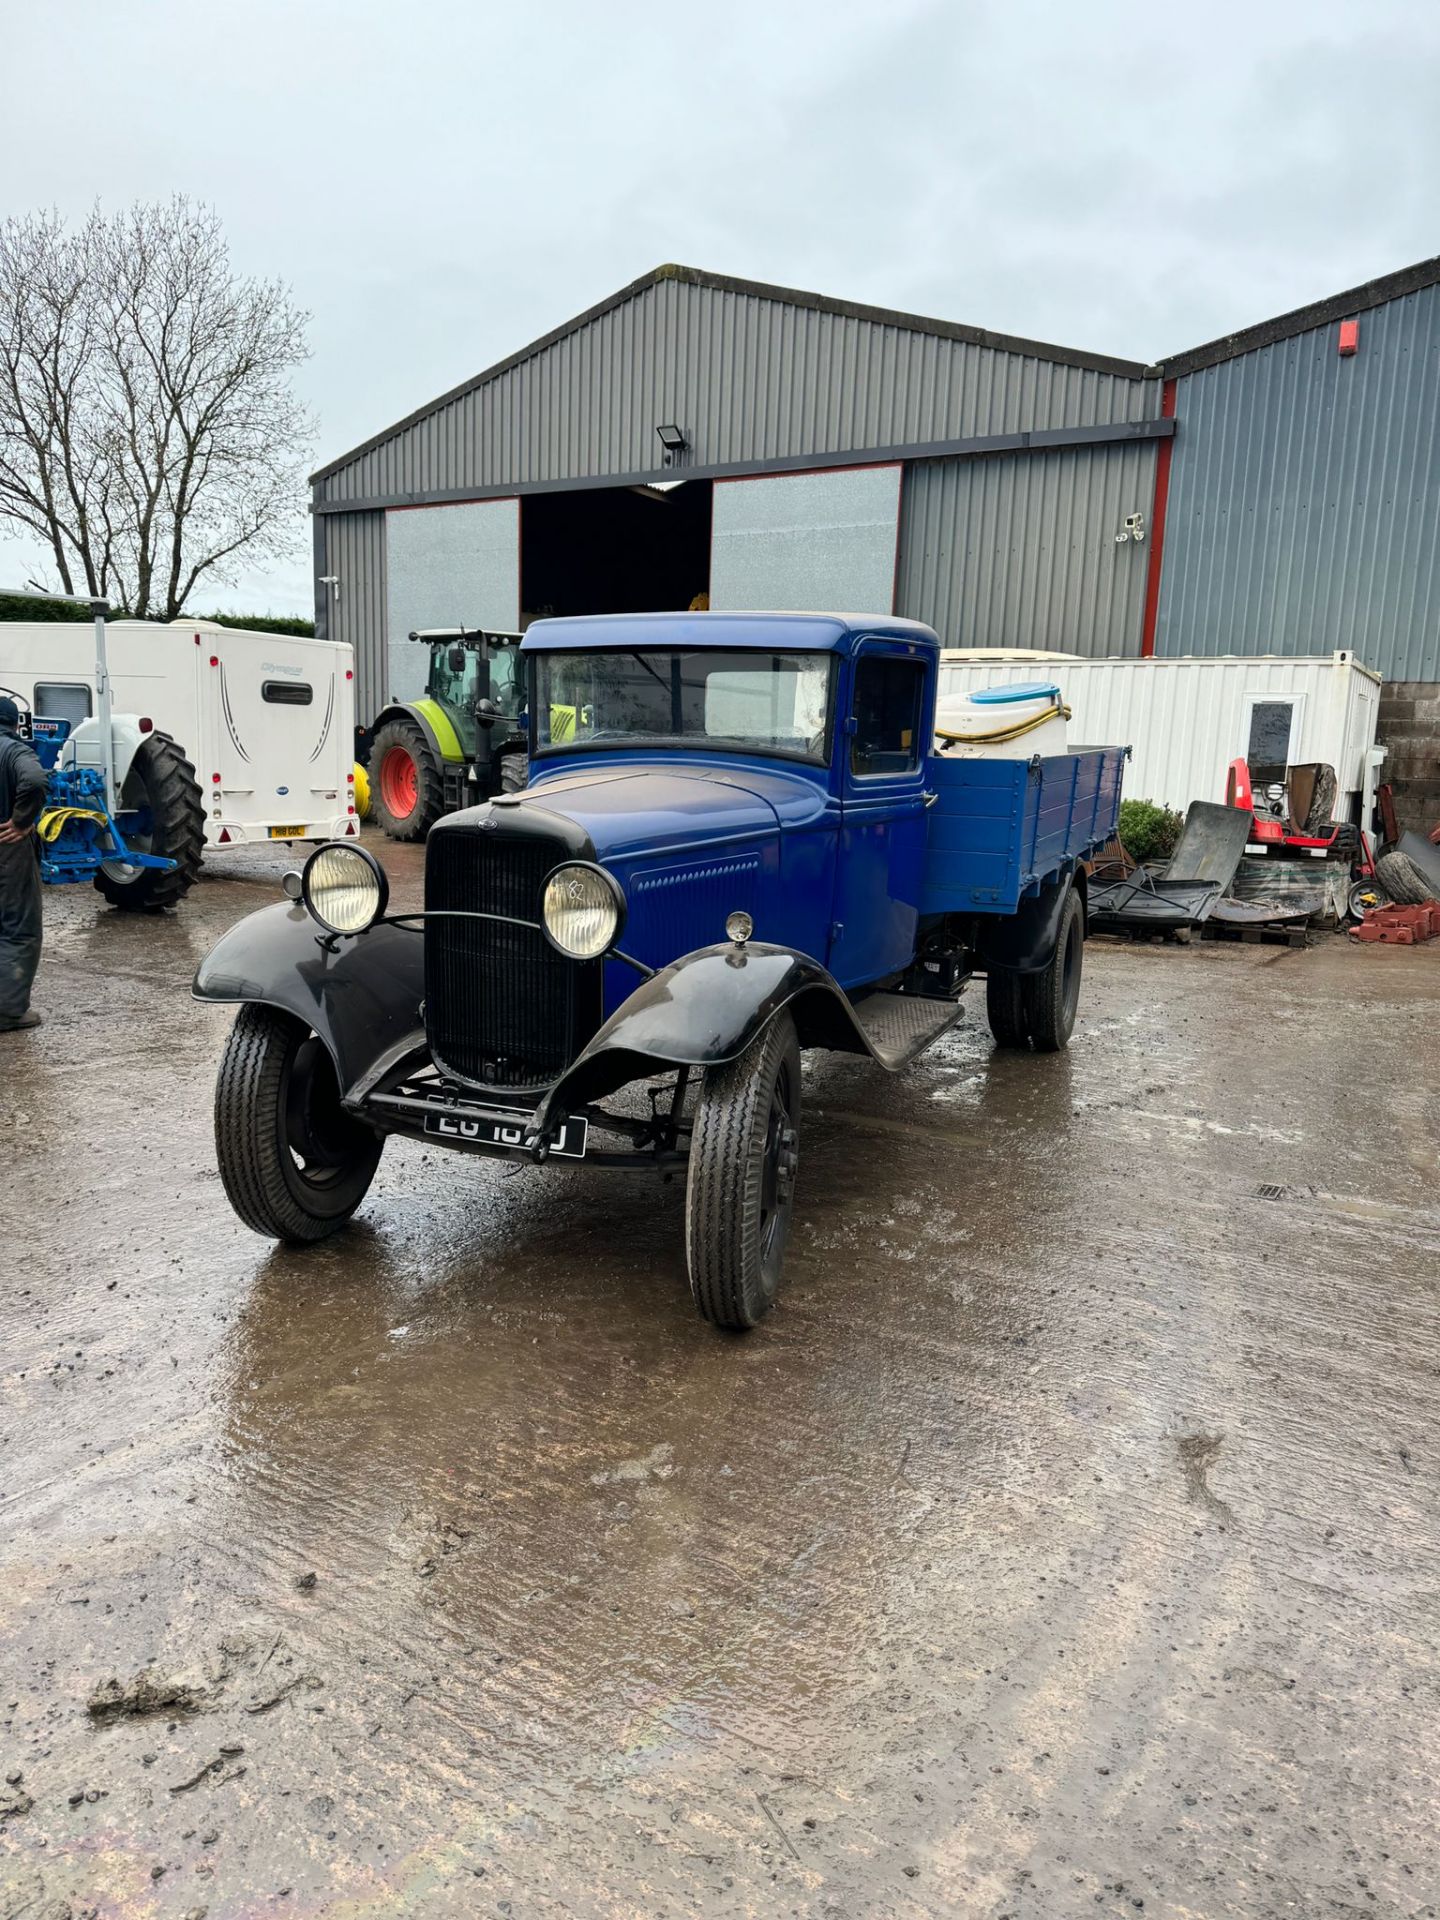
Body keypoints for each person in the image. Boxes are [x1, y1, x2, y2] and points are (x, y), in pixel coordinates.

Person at [0, 695, 48, 1034]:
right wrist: (21, 820)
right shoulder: (15, 751)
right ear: (16, 724)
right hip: (7, 846)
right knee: (18, 927)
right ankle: (10, 1012)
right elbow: (34, 779)